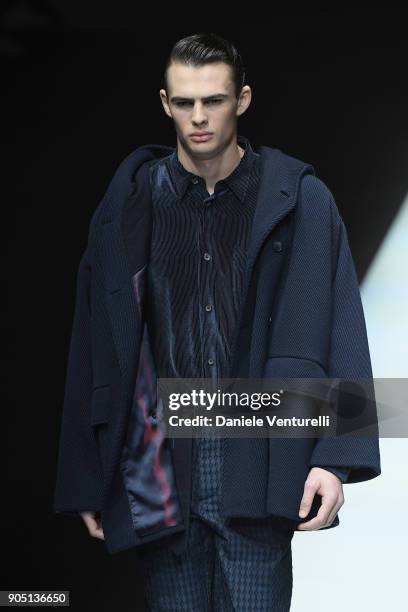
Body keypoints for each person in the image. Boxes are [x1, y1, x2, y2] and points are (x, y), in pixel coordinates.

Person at [53, 32, 381, 611]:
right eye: (184, 102)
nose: (198, 117)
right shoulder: (130, 206)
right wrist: (87, 474)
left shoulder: (300, 202)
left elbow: (343, 327)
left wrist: (335, 457)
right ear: (164, 103)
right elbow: (93, 339)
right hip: (159, 468)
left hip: (258, 460)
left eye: (214, 100)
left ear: (243, 99)